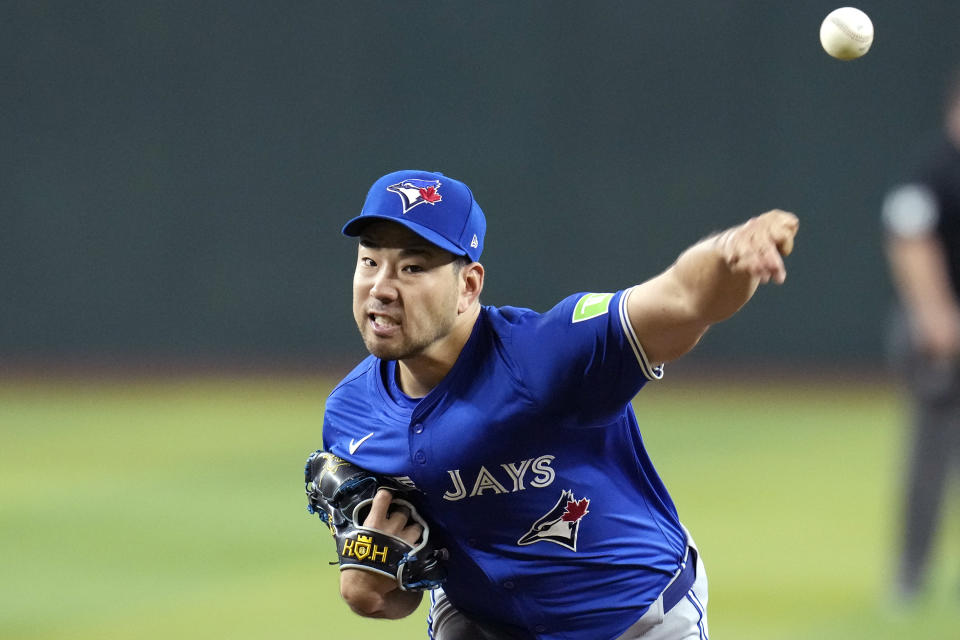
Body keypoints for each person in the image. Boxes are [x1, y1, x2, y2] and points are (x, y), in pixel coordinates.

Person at [315, 169, 799, 640]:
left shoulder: (545, 354)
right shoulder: (351, 415)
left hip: (634, 619)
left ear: (468, 286)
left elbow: (681, 300)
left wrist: (727, 254)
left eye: (413, 267)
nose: (381, 287)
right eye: (369, 261)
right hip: (482, 624)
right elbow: (400, 587)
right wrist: (369, 586)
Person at [882, 68, 960, 601]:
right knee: (931, 459)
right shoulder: (936, 168)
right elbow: (908, 236)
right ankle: (910, 578)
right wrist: (935, 313)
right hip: (940, 335)